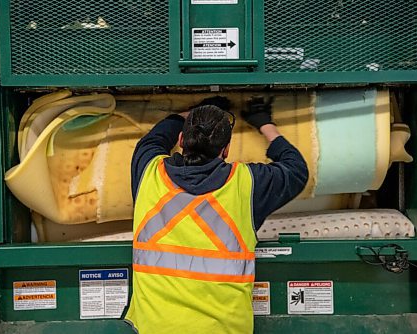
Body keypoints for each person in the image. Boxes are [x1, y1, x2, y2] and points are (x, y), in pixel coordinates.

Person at [124, 96, 309, 334]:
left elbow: (156, 137)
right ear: (226, 149)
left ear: (181, 139)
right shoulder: (247, 184)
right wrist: (264, 123)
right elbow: (296, 169)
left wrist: (194, 112)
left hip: (157, 328)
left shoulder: (149, 172)